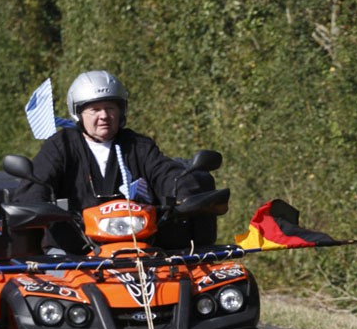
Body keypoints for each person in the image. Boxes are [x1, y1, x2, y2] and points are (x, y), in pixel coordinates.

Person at [14, 70, 215, 254]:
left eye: (110, 108)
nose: (103, 116)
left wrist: (185, 191)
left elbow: (163, 171)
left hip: (138, 247)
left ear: (121, 111)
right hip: (73, 251)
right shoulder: (60, 145)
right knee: (49, 289)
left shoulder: (138, 144)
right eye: (94, 109)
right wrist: (37, 203)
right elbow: (37, 181)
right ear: (78, 113)